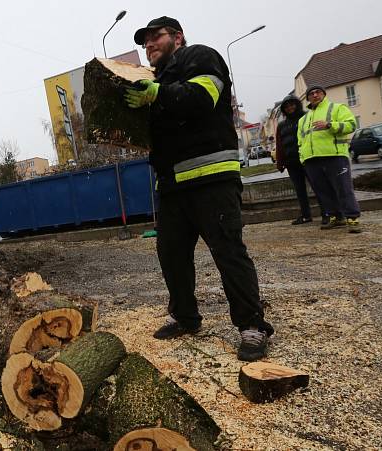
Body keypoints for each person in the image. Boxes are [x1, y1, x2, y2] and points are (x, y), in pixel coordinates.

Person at [125, 16, 273, 361]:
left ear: (177, 37)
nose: (148, 46)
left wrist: (157, 93)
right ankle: (185, 317)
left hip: (212, 178)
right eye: (144, 42)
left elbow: (202, 98)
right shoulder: (154, 81)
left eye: (155, 38)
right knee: (172, 256)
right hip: (173, 186)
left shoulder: (201, 57)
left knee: (228, 253)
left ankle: (252, 326)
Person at [297, 86, 361, 233]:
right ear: (307, 98)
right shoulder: (303, 119)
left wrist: (330, 125)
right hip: (311, 160)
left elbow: (351, 125)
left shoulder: (337, 108)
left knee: (343, 188)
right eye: (311, 94)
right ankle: (335, 217)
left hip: (335, 156)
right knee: (323, 191)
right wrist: (303, 159)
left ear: (324, 94)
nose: (314, 95)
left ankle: (352, 217)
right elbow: (300, 141)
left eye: (318, 92)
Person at [275, 95, 319, 225]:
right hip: (292, 162)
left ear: (297, 104)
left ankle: (327, 213)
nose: (290, 108)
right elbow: (279, 145)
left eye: (292, 104)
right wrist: (280, 162)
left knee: (318, 188)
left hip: (308, 159)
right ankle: (306, 216)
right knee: (300, 191)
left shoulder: (307, 117)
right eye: (287, 106)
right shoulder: (282, 125)